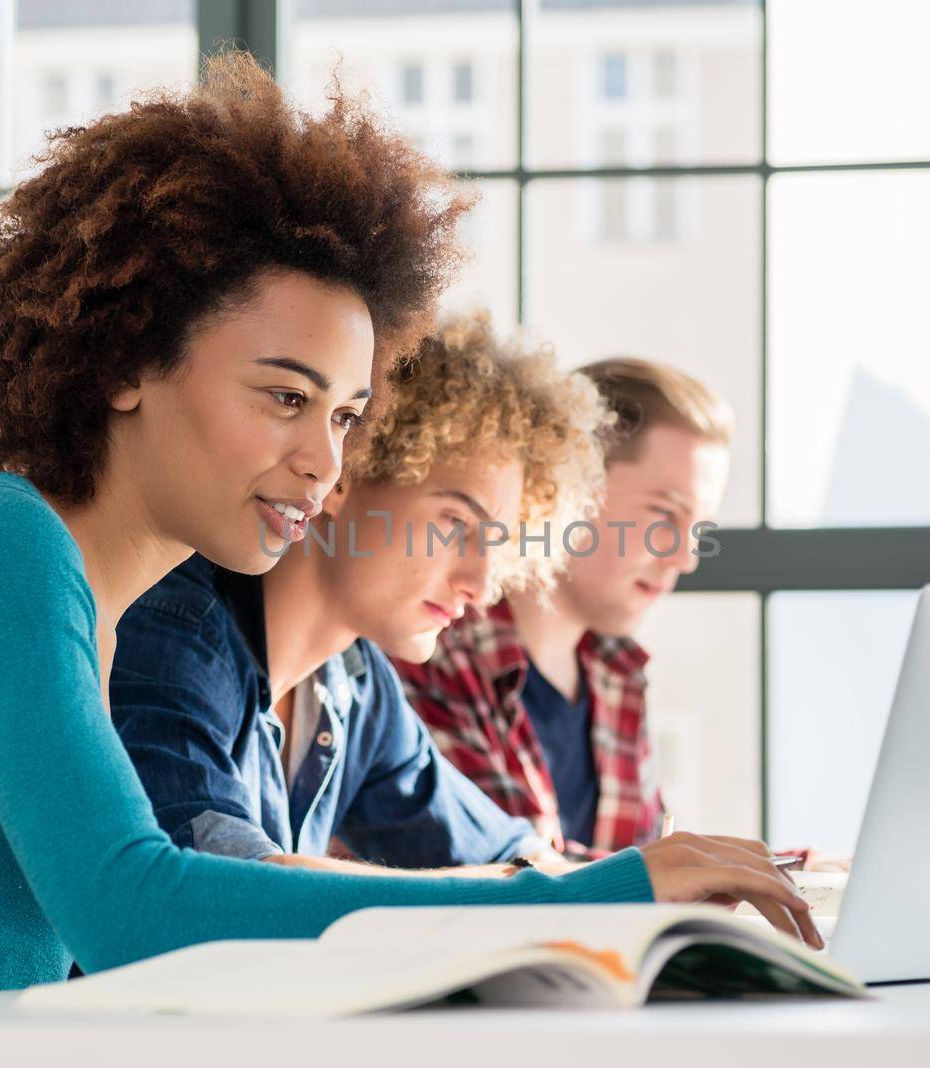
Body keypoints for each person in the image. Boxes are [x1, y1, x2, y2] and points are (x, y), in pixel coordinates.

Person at [0, 55, 817, 1007]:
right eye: (285, 399)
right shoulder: (0, 546)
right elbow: (132, 912)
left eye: (345, 416)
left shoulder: (93, 596)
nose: (325, 463)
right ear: (123, 362)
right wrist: (602, 898)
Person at [109, 312, 608, 876]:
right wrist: (521, 886)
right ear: (344, 474)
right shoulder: (170, 632)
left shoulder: (356, 686)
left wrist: (643, 882)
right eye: (453, 525)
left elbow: (506, 853)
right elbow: (235, 889)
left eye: (497, 541)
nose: (481, 582)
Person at [397, 358, 732, 858]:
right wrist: (680, 874)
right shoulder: (430, 648)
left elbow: (641, 872)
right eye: (665, 514)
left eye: (699, 528)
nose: (685, 556)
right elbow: (485, 874)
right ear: (570, 487)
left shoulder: (617, 672)